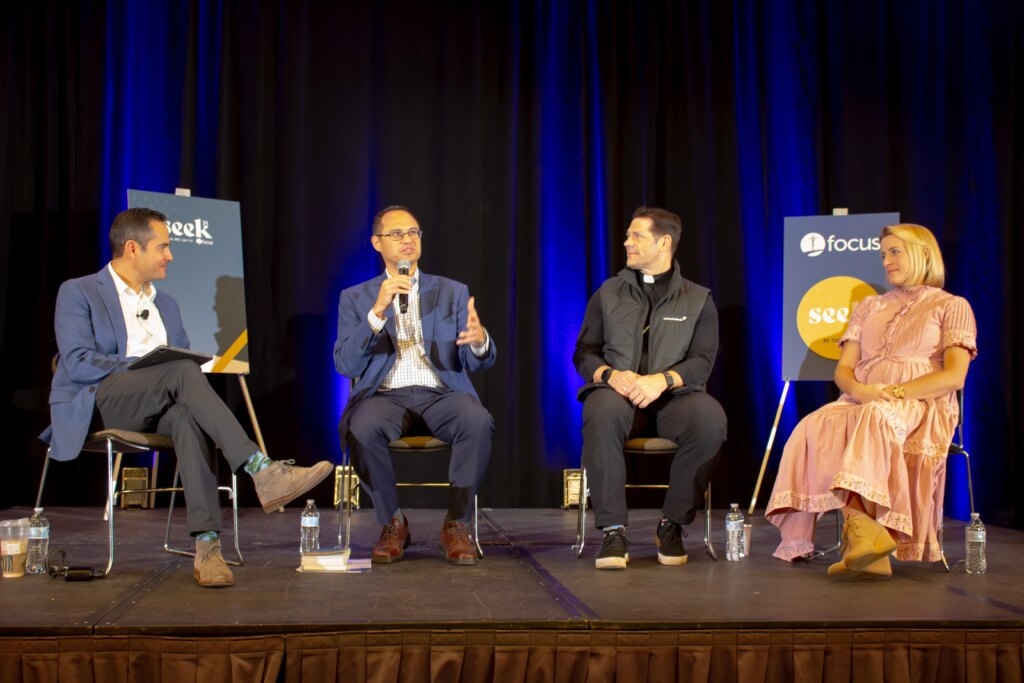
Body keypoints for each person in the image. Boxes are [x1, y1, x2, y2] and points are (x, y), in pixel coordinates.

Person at [40, 208, 333, 588]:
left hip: (156, 403)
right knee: (180, 372)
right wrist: (143, 366)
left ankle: (207, 547)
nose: (170, 256)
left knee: (187, 416)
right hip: (99, 401)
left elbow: (179, 367)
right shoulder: (79, 291)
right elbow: (77, 363)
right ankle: (261, 469)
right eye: (163, 247)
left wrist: (163, 370)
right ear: (132, 248)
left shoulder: (168, 304)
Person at [766, 224, 977, 580]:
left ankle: (866, 539)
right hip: (863, 399)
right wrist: (862, 391)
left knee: (874, 418)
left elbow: (954, 377)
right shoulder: (869, 306)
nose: (886, 261)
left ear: (924, 253)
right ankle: (868, 544)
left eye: (895, 252)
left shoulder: (952, 306)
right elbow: (844, 370)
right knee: (815, 424)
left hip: (922, 404)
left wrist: (894, 393)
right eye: (882, 255)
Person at [334, 205, 496, 566]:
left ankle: (456, 523)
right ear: (376, 243)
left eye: (414, 233)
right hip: (384, 395)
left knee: (477, 420)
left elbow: (476, 363)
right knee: (360, 427)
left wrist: (479, 340)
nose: (408, 240)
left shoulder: (452, 292)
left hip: (441, 392)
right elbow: (345, 364)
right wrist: (377, 313)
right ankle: (392, 522)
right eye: (397, 234)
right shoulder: (356, 297)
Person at [574, 206, 727, 570]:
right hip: (619, 396)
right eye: (628, 235)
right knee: (601, 411)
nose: (627, 242)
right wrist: (610, 376)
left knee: (710, 421)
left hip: (674, 399)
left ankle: (671, 525)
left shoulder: (698, 299)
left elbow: (703, 361)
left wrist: (663, 380)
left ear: (664, 242)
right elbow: (584, 353)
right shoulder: (609, 292)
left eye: (636, 235)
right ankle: (612, 531)